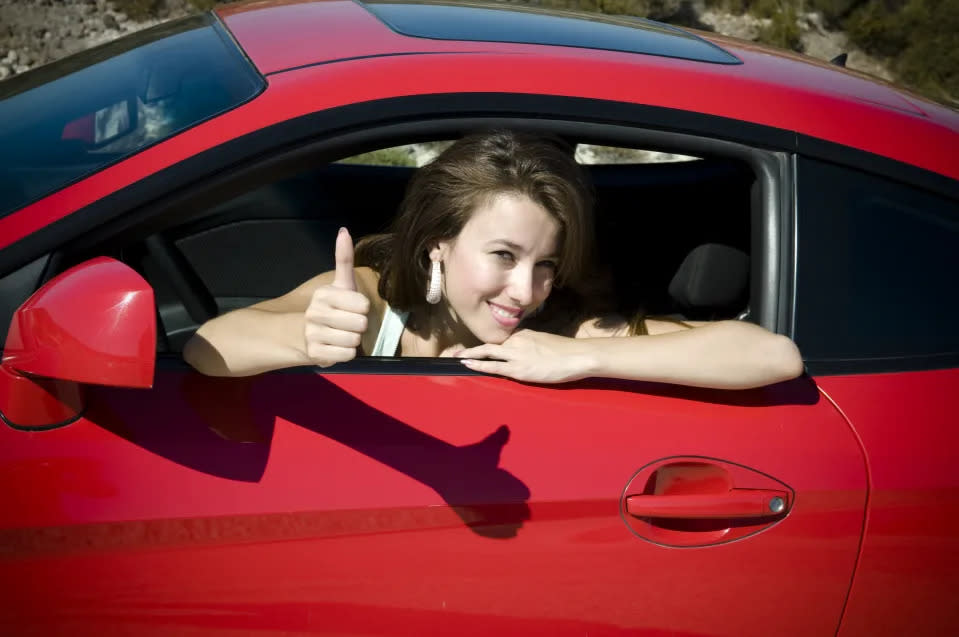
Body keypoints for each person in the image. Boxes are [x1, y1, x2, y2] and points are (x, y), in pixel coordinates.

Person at [183, 130, 803, 389]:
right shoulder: (372, 301)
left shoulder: (556, 326)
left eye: (546, 264)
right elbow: (207, 348)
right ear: (438, 246)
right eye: (503, 255)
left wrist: (583, 356)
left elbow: (772, 354)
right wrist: (305, 337)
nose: (524, 290)